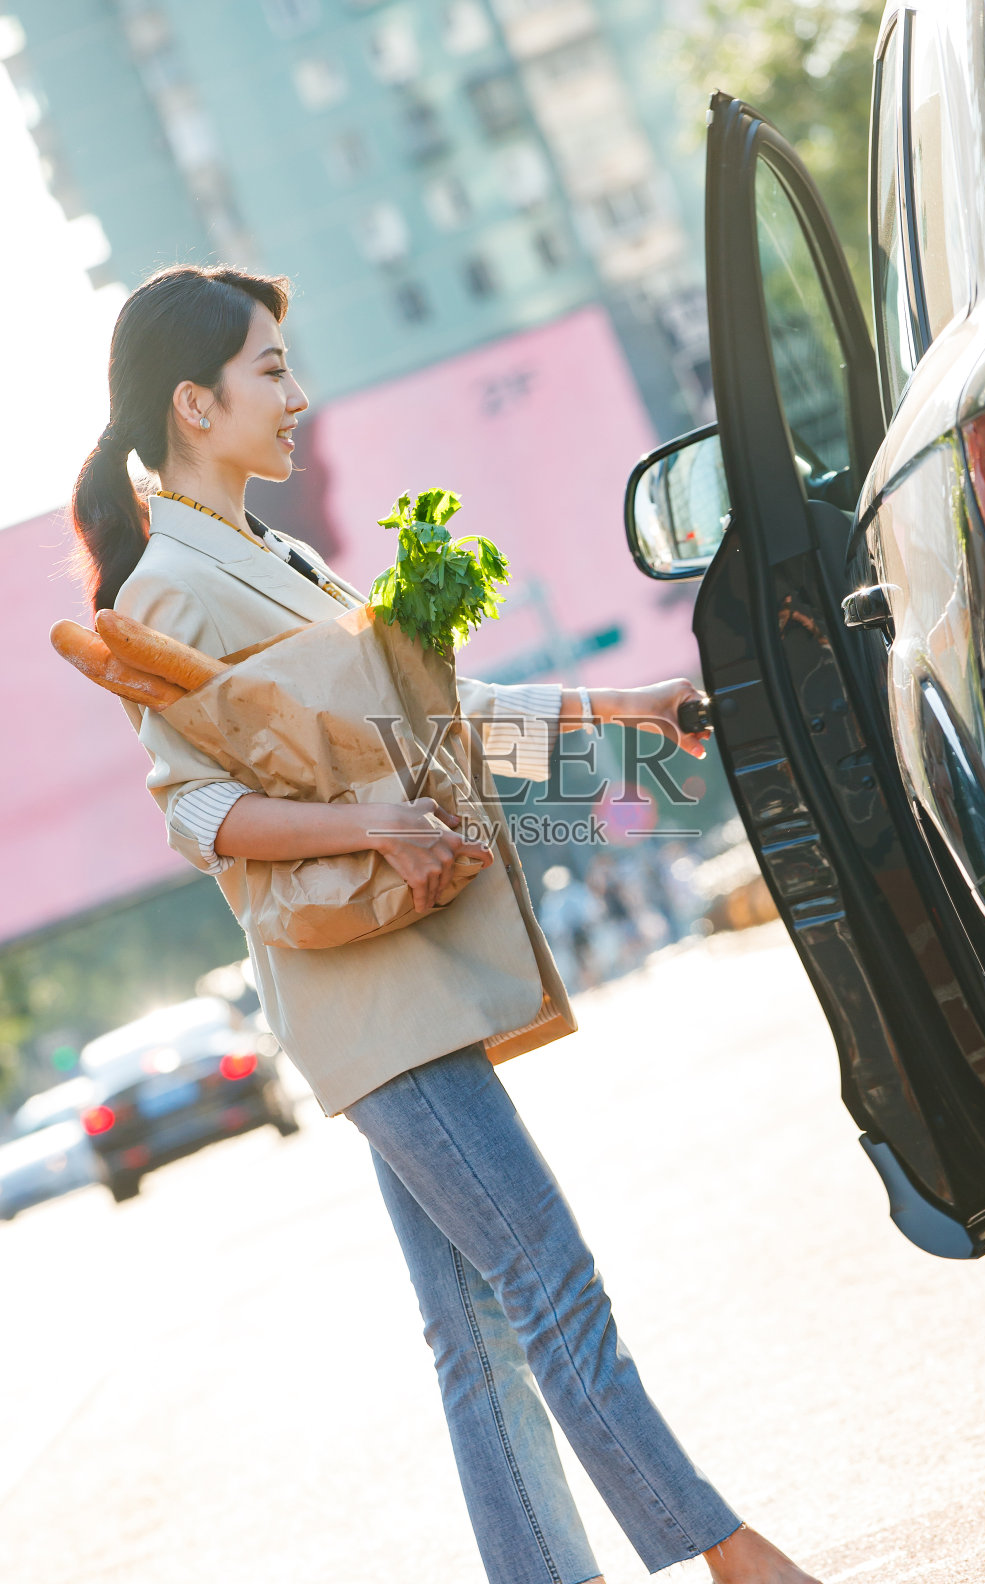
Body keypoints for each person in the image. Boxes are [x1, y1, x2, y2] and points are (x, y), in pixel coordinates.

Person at [68, 264, 822, 1584]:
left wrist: (622, 710)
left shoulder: (276, 556)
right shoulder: (167, 593)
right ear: (194, 403)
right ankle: (727, 1553)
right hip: (364, 998)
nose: (298, 397)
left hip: (403, 972)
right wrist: (376, 825)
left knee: (477, 1331)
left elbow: (436, 722)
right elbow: (202, 813)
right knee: (552, 1282)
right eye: (270, 371)